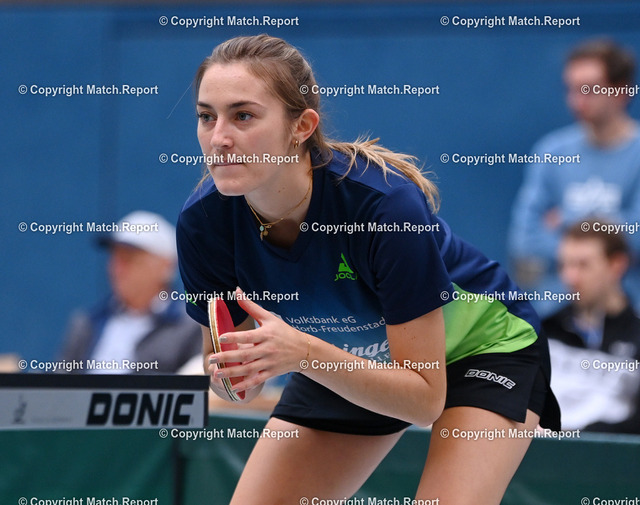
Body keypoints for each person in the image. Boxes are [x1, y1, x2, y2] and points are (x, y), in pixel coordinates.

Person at [177, 35, 560, 504]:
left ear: (302, 127)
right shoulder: (203, 223)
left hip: (481, 350)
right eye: (206, 116)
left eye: (243, 116)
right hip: (341, 358)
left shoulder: (386, 207)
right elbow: (225, 374)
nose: (219, 138)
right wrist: (237, 375)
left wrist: (304, 354)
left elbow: (423, 400)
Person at [509, 38, 640, 317]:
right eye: (571, 88)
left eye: (589, 88)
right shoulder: (551, 152)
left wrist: (566, 218)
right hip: (555, 315)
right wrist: (608, 232)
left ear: (621, 91)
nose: (577, 100)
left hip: (629, 316)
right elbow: (524, 239)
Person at [59, 210, 201, 374]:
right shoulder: (86, 324)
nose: (118, 269)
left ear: (166, 266)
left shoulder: (191, 327)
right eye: (115, 258)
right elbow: (59, 383)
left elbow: (200, 385)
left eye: (129, 258)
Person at [543, 219, 640, 434]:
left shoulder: (636, 336)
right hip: (546, 452)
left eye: (583, 265)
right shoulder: (544, 332)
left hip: (610, 453)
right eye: (565, 265)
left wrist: (579, 435)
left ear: (616, 265)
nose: (570, 277)